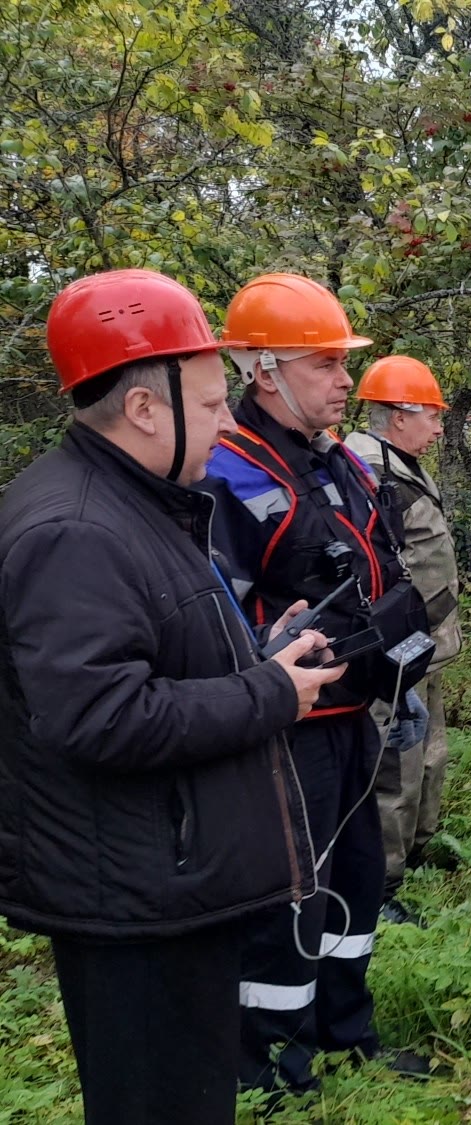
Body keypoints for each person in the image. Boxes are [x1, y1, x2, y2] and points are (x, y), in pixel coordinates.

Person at [0, 269, 341, 1124]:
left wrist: (256, 654)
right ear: (147, 408)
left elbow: (148, 660)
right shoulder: (74, 527)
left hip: (168, 880)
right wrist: (268, 692)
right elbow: (98, 714)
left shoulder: (138, 502)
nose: (229, 421)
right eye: (214, 400)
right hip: (132, 903)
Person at [201, 272, 431, 1093]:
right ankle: (269, 1065)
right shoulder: (225, 474)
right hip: (281, 730)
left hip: (350, 716)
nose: (345, 381)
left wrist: (398, 682)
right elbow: (211, 613)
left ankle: (345, 1028)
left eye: (344, 362)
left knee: (357, 878)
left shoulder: (338, 464)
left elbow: (377, 571)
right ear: (264, 370)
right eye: (325, 363)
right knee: (287, 898)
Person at [347, 356, 465, 924]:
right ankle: (381, 881)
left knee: (429, 749)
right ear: (399, 416)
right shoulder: (367, 474)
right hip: (394, 651)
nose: (441, 427)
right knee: (394, 759)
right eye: (433, 416)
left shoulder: (403, 464)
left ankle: (420, 844)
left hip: (427, 645)